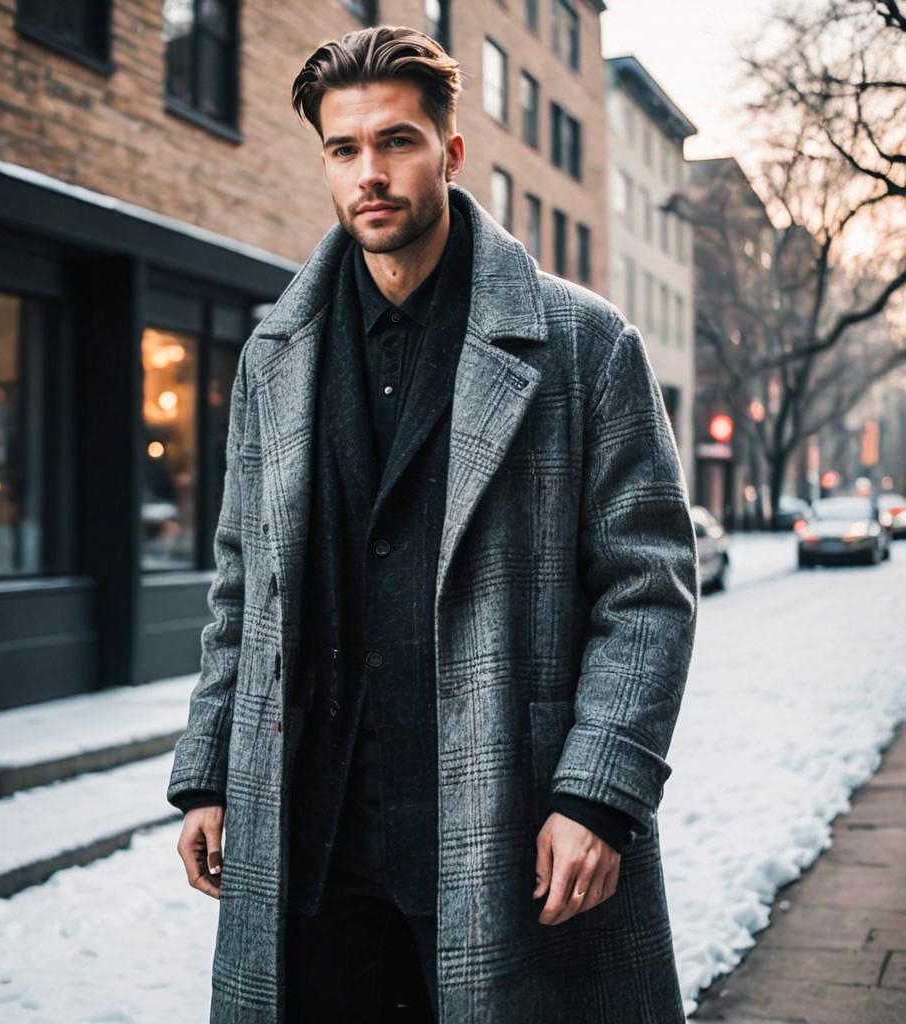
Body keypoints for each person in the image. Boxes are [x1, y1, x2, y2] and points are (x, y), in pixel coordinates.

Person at [167, 24, 699, 1024]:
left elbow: (649, 589)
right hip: (311, 840)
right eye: (343, 148)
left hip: (510, 829)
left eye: (396, 142)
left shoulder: (582, 343)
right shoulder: (275, 354)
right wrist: (208, 771)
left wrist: (597, 796)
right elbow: (242, 588)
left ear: (450, 154)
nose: (369, 172)